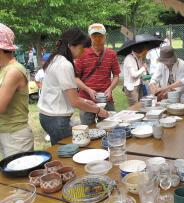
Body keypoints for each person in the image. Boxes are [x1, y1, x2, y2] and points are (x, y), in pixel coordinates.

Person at [38, 28, 108, 145]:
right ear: (71, 45)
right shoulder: (65, 64)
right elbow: (74, 102)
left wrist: (85, 100)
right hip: (56, 118)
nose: (82, 52)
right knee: (69, 150)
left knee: (60, 150)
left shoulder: (55, 59)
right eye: (81, 48)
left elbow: (64, 93)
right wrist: (98, 110)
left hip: (47, 116)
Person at [75, 23, 121, 125]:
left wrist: (110, 89)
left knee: (109, 126)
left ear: (105, 37)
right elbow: (75, 78)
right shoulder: (81, 54)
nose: (97, 39)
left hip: (106, 98)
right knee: (89, 130)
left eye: (100, 36)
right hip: (86, 99)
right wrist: (88, 90)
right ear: (90, 37)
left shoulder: (111, 54)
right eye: (94, 36)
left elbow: (116, 76)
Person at [0, 23, 34, 157]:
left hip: (15, 136)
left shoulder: (13, 70)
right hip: (5, 132)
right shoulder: (3, 69)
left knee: (19, 177)